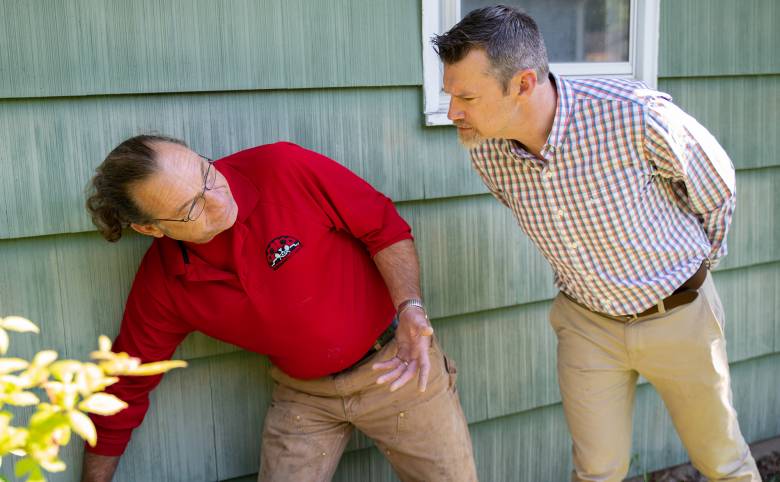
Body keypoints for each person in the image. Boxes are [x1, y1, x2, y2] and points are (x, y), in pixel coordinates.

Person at [433, 5, 760, 482]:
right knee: (595, 472)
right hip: (586, 325)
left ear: (523, 84)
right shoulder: (487, 152)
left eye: (466, 97)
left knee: (723, 463)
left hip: (680, 314)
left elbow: (716, 184)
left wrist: (695, 269)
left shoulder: (633, 114)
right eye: (449, 95)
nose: (452, 112)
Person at [81, 135, 476, 482]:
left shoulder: (282, 168)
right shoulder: (164, 281)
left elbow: (383, 227)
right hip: (303, 394)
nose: (219, 200)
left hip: (399, 362)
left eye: (207, 173)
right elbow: (126, 385)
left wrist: (411, 308)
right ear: (151, 229)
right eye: (191, 209)